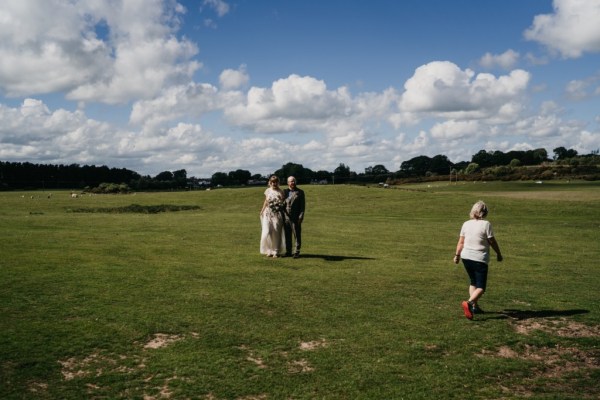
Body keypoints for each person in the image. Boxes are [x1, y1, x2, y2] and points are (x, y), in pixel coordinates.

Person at [453, 200, 503, 320]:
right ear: (484, 212)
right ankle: (469, 303)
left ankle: (475, 307)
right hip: (479, 258)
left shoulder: (466, 224)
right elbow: (491, 241)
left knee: (473, 282)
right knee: (481, 287)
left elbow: (461, 242)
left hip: (466, 257)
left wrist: (457, 255)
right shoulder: (486, 224)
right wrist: (499, 253)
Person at [260, 175, 286, 257]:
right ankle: (268, 250)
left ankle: (275, 251)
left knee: (276, 232)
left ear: (278, 183)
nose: (274, 183)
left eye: (275, 182)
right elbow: (266, 201)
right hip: (268, 214)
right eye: (272, 182)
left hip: (277, 214)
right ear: (270, 183)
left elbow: (283, 203)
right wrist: (262, 210)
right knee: (266, 232)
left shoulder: (281, 192)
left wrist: (279, 204)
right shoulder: (267, 190)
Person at [283, 176, 305, 258]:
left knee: (297, 235)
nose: (292, 183)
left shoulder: (300, 192)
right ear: (287, 183)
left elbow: (302, 206)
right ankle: (288, 251)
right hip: (286, 218)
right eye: (291, 181)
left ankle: (296, 252)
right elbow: (282, 204)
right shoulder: (284, 192)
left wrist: (301, 216)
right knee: (287, 235)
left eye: (294, 181)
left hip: (296, 218)